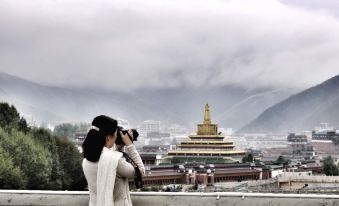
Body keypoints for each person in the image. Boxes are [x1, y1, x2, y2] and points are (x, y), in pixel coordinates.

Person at [82, 115, 145, 206]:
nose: (116, 138)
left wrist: (119, 149)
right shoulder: (116, 161)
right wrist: (130, 145)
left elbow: (108, 160)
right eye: (115, 135)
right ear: (108, 137)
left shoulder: (86, 159)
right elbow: (140, 171)